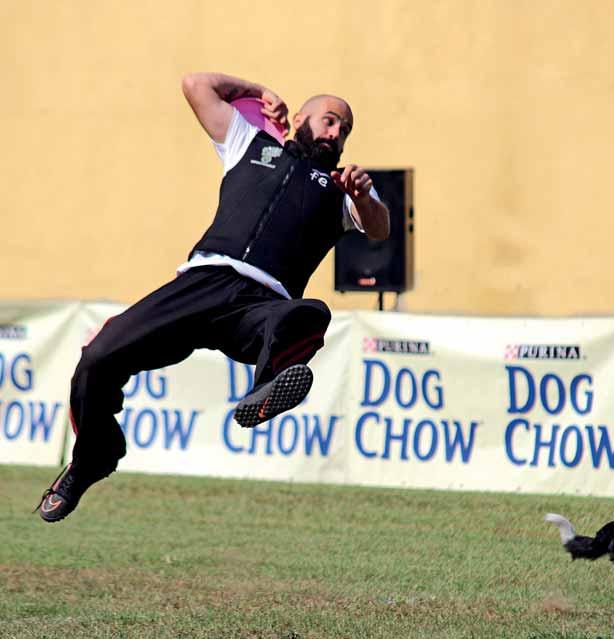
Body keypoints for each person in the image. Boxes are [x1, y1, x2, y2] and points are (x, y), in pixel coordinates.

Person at [36, 72, 390, 522]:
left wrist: (363, 196)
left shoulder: (342, 188)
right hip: (200, 282)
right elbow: (195, 84)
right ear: (299, 118)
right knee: (98, 357)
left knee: (309, 314)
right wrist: (258, 91)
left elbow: (380, 230)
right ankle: (91, 460)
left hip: (260, 307)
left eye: (345, 130)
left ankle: (265, 388)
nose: (337, 133)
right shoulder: (249, 142)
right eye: (330, 121)